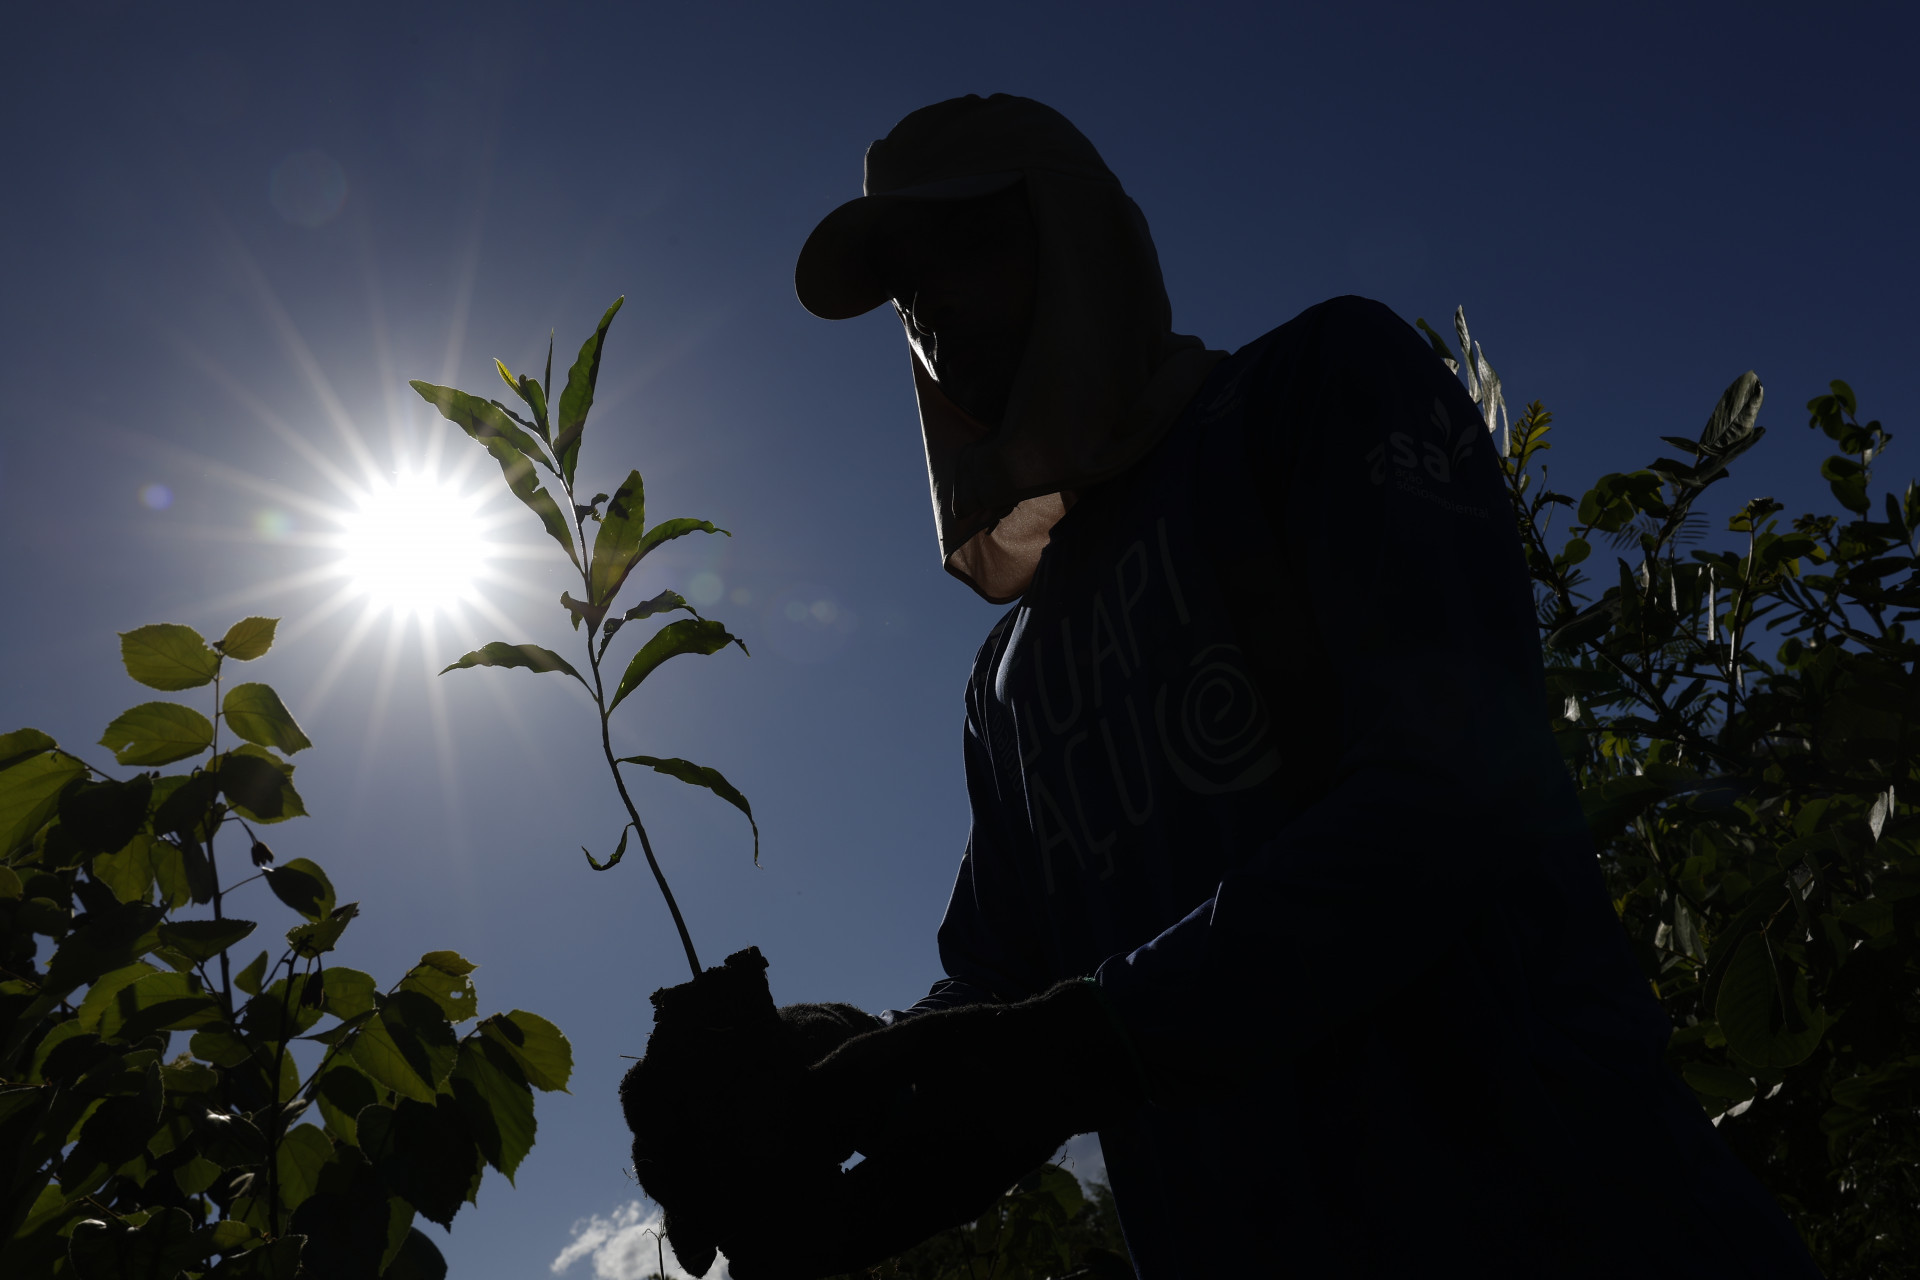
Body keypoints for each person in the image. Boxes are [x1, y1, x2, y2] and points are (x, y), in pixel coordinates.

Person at [625, 93, 1823, 1280]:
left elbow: (1448, 793)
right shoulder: (1006, 677)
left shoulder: (1315, 394)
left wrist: (1067, 1041)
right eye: (907, 293)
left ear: (1084, 241)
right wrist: (845, 1080)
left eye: (969, 245)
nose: (933, 311)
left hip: (1585, 1220)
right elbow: (1007, 995)